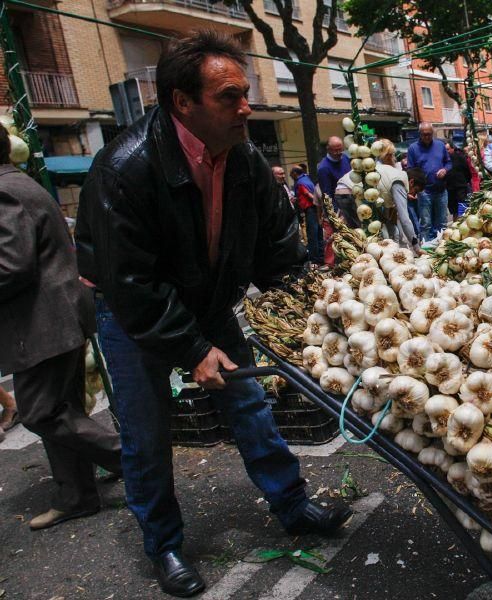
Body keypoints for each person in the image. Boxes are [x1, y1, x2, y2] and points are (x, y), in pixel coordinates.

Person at [75, 31, 351, 598]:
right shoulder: (124, 167)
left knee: (250, 406)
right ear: (183, 102)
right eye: (230, 96)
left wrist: (320, 304)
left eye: (245, 93)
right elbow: (130, 282)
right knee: (146, 432)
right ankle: (165, 546)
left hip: (208, 301)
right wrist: (192, 350)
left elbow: (277, 247)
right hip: (133, 315)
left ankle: (294, 507)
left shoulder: (246, 159)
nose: (246, 106)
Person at [0, 125, 123, 529]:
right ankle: (77, 496)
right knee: (61, 408)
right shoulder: (21, 182)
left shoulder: (5, 191)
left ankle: (131, 458)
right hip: (57, 316)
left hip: (42, 321)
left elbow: (11, 265)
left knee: (40, 411)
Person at [406, 122, 451, 241]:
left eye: (429, 134)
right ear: (419, 134)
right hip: (424, 191)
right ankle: (426, 248)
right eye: (424, 134)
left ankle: (442, 246)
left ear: (433, 133)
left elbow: (449, 162)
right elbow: (410, 170)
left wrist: (444, 170)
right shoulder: (413, 148)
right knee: (426, 223)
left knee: (442, 222)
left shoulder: (440, 145)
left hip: (441, 190)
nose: (427, 137)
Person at [291, 164, 323, 264]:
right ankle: (321, 255)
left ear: (295, 173)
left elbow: (309, 195)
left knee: (312, 234)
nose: (290, 176)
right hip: (316, 209)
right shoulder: (307, 179)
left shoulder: (300, 183)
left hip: (310, 209)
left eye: (291, 174)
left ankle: (314, 259)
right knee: (318, 233)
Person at [445, 142, 471, 219]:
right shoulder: (444, 159)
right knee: (453, 208)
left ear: (452, 149)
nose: (446, 151)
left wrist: (465, 181)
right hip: (449, 187)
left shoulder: (460, 157)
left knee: (462, 206)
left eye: (448, 149)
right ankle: (455, 223)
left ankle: (462, 221)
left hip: (460, 186)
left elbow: (467, 171)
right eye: (445, 150)